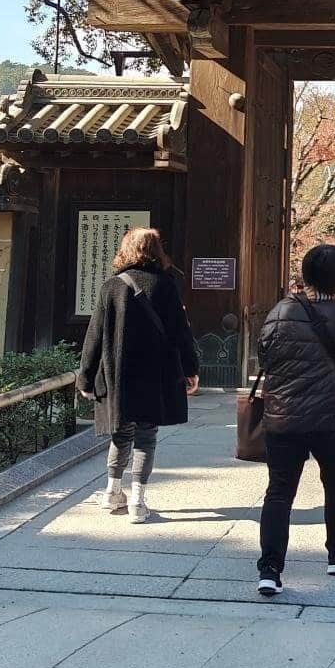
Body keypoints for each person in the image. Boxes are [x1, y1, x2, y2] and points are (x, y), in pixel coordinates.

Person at [255, 243, 335, 597]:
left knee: (279, 491)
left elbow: (264, 356)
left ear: (304, 274)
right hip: (330, 415)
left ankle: (270, 569)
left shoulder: (281, 311)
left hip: (283, 415)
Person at [77, 225, 200, 526]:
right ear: (157, 251)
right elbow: (180, 333)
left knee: (121, 433)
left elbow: (94, 335)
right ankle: (138, 501)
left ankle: (111, 492)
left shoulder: (111, 286)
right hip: (155, 374)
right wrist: (191, 370)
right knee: (146, 435)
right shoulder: (166, 286)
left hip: (118, 373)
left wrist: (85, 377)